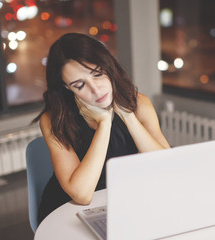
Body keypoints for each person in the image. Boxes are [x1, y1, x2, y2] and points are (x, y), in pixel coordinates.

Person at [32, 32, 170, 225]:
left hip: (121, 202)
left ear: (109, 68)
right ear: (66, 88)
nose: (96, 90)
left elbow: (166, 166)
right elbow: (82, 194)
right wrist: (104, 124)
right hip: (68, 210)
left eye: (98, 74)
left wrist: (128, 116)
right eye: (79, 85)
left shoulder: (139, 104)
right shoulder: (54, 119)